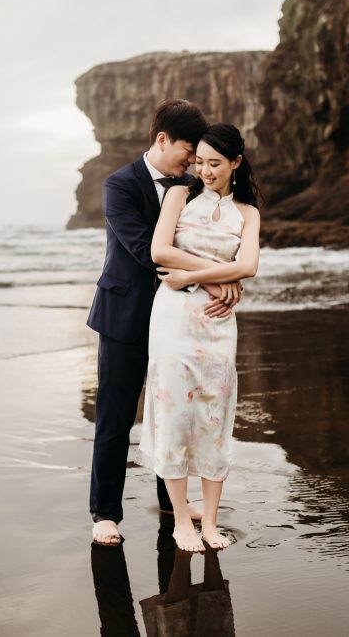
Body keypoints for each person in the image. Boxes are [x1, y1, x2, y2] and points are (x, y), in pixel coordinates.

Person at [88, 100, 243, 546]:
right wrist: (218, 280)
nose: (194, 162)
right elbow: (145, 250)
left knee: (171, 411)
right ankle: (105, 514)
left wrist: (223, 273)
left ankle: (171, 503)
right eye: (189, 151)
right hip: (124, 317)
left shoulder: (190, 188)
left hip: (175, 321)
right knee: (116, 418)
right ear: (162, 140)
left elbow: (206, 243)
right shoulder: (119, 185)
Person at [140, 123, 262, 552]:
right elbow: (160, 252)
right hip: (174, 318)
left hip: (218, 324)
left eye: (215, 164)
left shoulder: (248, 213)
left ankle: (209, 523)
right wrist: (215, 278)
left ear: (236, 163)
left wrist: (192, 275)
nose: (205, 171)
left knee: (214, 413)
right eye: (200, 163)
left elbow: (248, 267)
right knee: (174, 411)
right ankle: (182, 523)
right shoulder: (179, 195)